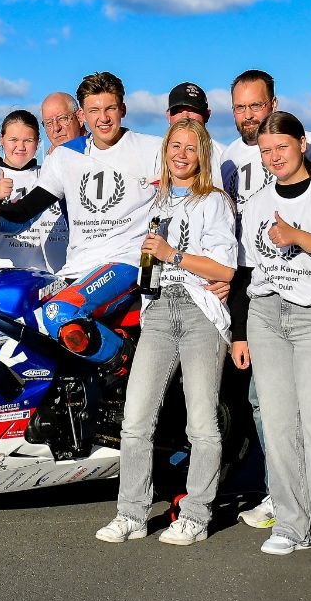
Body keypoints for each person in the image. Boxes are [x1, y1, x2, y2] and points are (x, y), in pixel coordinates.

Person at [223, 70, 311, 531]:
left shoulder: (302, 146)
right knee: (269, 412)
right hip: (259, 294)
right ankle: (285, 502)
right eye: (240, 108)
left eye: (255, 106)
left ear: (273, 104)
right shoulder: (227, 158)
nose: (248, 115)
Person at [95, 118, 237, 546]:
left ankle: (195, 515)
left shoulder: (214, 202)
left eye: (190, 148)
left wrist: (173, 254)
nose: (180, 154)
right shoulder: (153, 202)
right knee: (135, 420)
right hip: (156, 311)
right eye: (175, 145)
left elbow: (225, 268)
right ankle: (132, 515)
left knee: (202, 426)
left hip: (199, 313)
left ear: (202, 156)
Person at [0, 71, 162, 370]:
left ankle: (129, 363)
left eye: (110, 108)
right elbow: (22, 215)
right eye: (95, 110)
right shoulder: (64, 157)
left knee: (59, 311)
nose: (104, 118)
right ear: (84, 114)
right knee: (26, 324)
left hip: (126, 263)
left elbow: (187, 201)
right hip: (76, 269)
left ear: (122, 109)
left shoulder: (154, 150)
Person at [0, 110, 66, 275]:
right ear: (1, 139)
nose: (21, 146)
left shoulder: (47, 176)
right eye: (13, 140)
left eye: (28, 140)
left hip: (34, 277)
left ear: (38, 142)